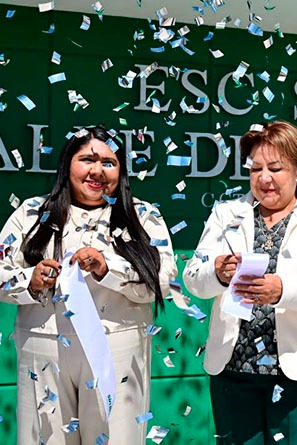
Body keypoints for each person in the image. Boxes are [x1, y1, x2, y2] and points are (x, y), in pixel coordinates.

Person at [0, 125, 177, 444]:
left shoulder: (142, 215)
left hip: (117, 350)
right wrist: (31, 281)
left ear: (121, 170)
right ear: (67, 164)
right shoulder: (31, 212)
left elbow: (165, 280)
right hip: (44, 349)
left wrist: (109, 268)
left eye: (108, 162)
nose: (97, 171)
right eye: (87, 160)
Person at [182, 120, 297, 445]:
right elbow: (193, 278)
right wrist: (218, 273)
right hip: (233, 368)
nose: (264, 178)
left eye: (275, 168)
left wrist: (282, 290)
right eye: (256, 168)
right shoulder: (226, 213)